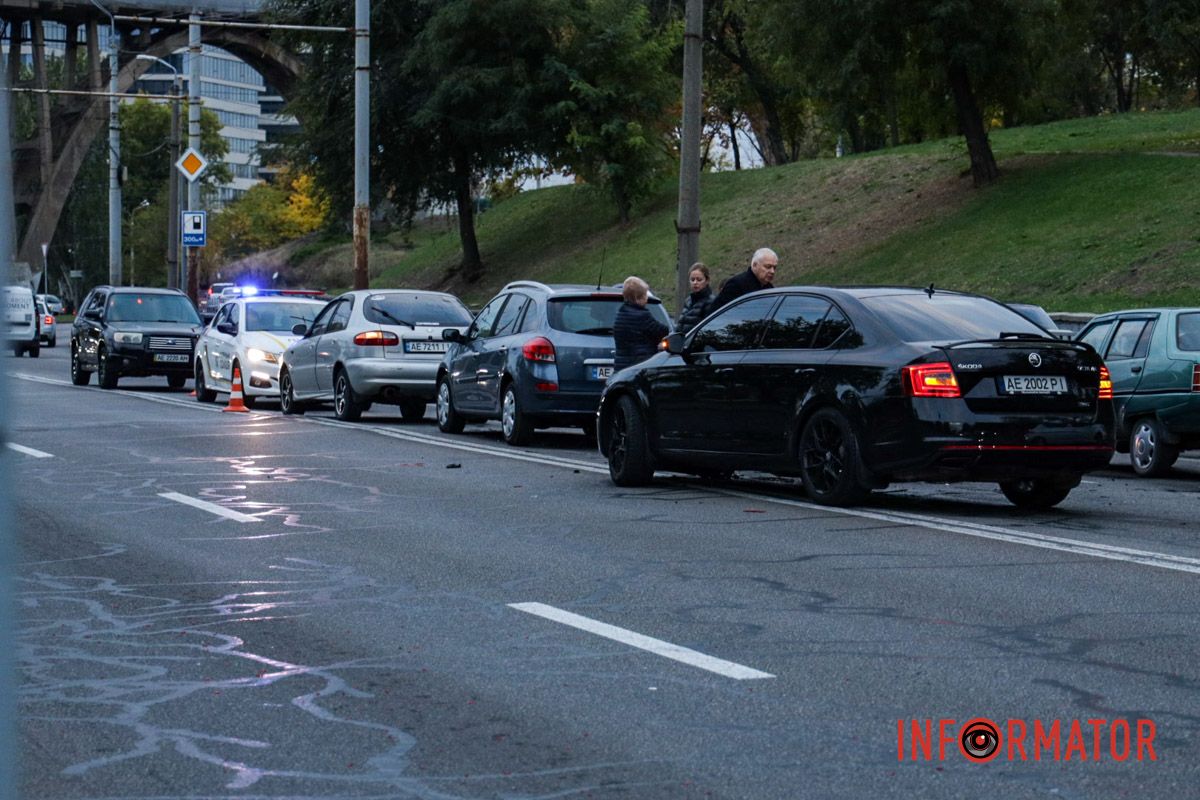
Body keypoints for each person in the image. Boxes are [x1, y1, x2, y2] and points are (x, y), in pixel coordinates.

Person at [613, 276, 669, 373]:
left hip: (622, 367)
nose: (647, 298)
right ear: (638, 299)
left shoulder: (620, 314)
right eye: (645, 295)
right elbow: (662, 330)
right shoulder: (642, 315)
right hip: (639, 366)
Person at [712, 247, 778, 311]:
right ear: (755, 265)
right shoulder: (736, 284)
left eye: (774, 268)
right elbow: (717, 312)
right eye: (768, 267)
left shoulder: (769, 288)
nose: (772, 271)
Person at [677, 263, 716, 335]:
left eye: (699, 279)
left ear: (707, 280)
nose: (695, 282)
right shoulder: (688, 300)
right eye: (692, 280)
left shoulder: (710, 302)